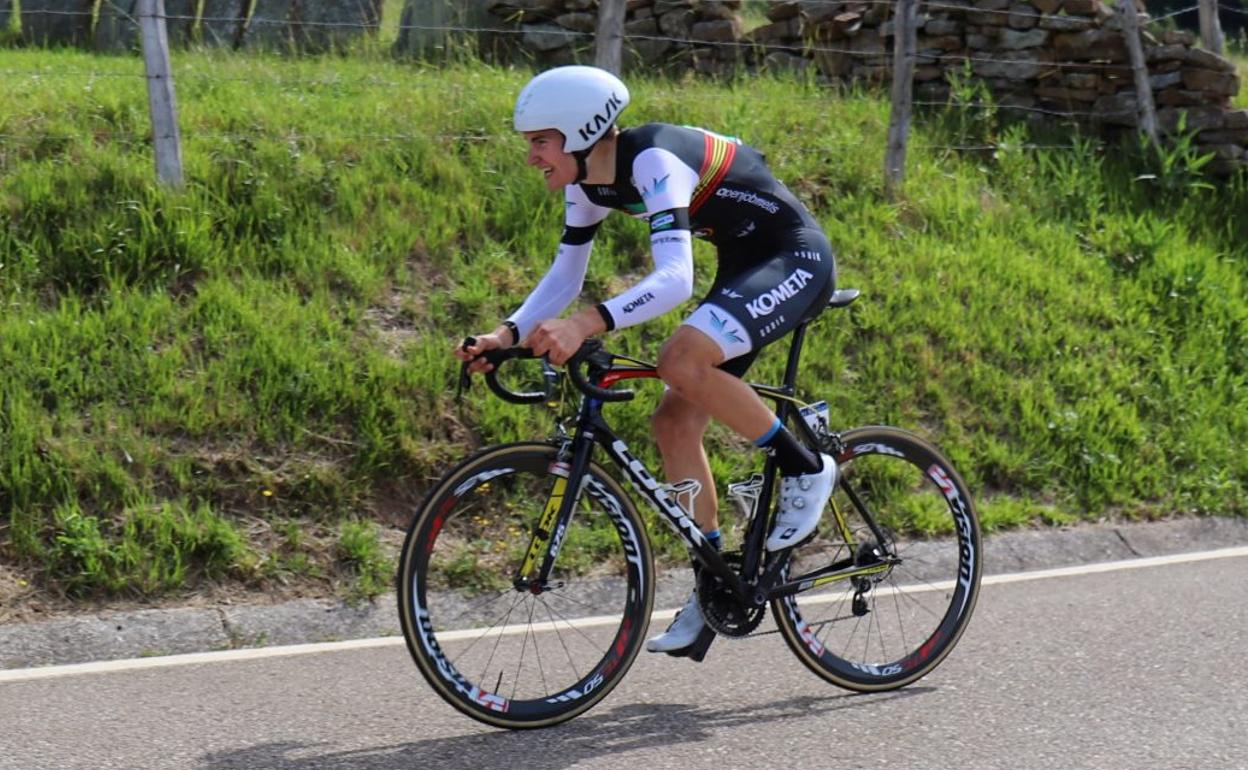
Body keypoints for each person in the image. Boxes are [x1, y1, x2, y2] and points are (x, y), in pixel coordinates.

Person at [454, 65, 839, 659]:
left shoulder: (653, 159)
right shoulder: (587, 184)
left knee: (680, 360)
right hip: (744, 265)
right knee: (672, 422)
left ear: (582, 133)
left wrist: (587, 323)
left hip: (795, 258)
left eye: (539, 142)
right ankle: (716, 584)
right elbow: (564, 277)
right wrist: (504, 333)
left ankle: (806, 468)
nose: (531, 157)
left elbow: (675, 279)